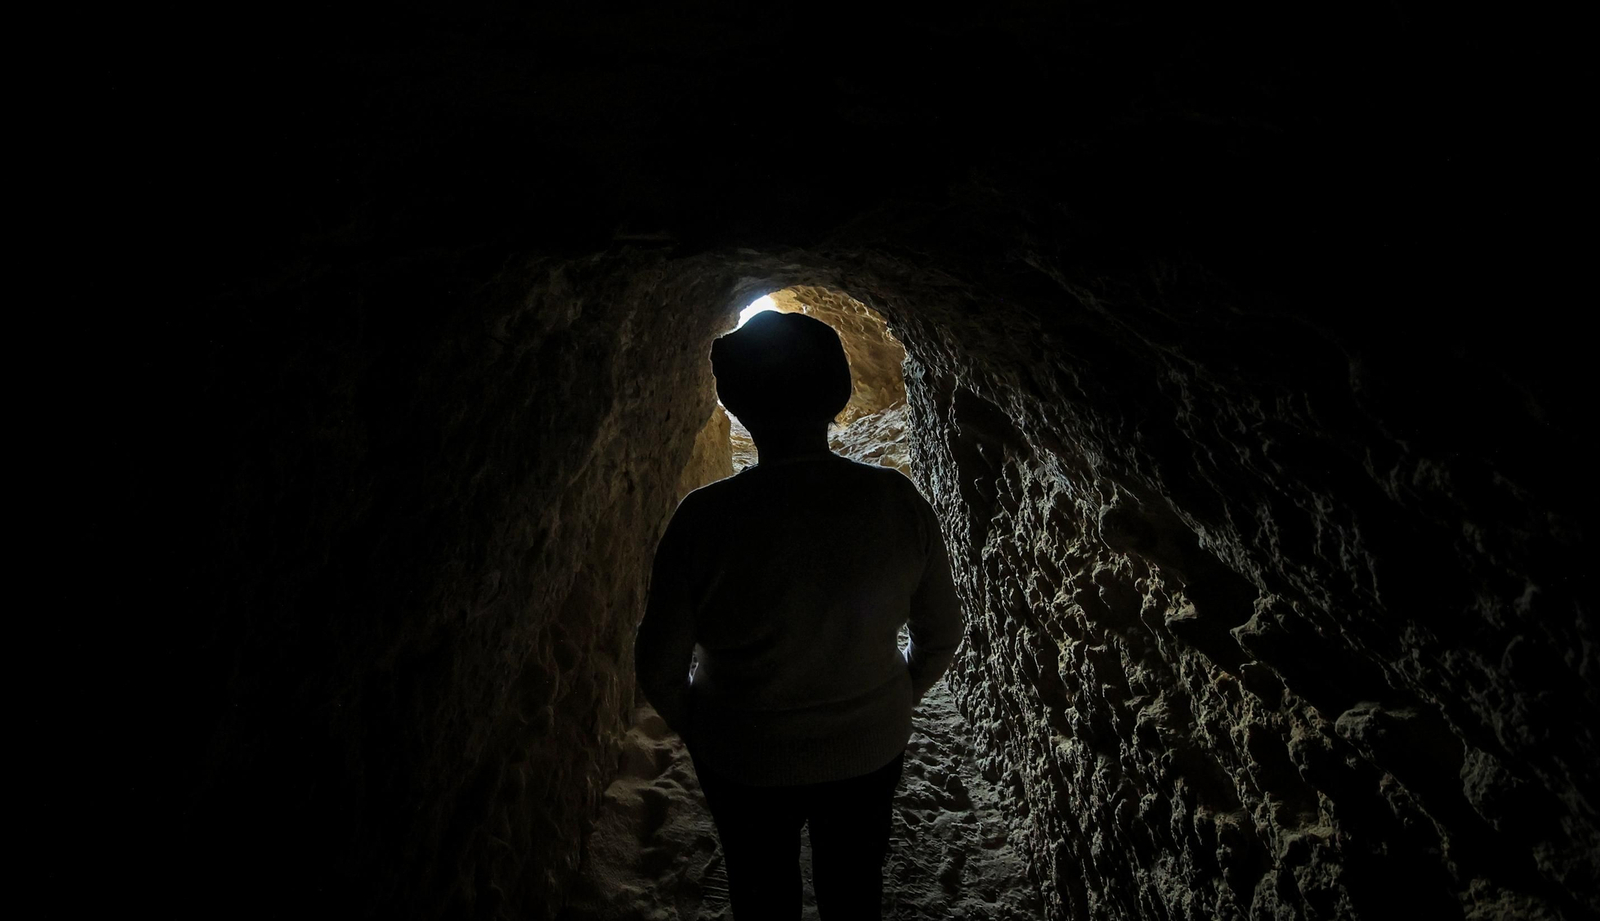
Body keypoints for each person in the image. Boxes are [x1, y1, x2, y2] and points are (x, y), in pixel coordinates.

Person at [634, 309, 963, 920]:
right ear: (838, 393)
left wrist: (708, 730)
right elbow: (942, 632)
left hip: (744, 757)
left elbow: (658, 665)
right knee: (854, 890)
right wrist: (893, 695)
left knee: (761, 898)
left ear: (735, 405)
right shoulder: (895, 501)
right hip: (868, 749)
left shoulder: (702, 519)